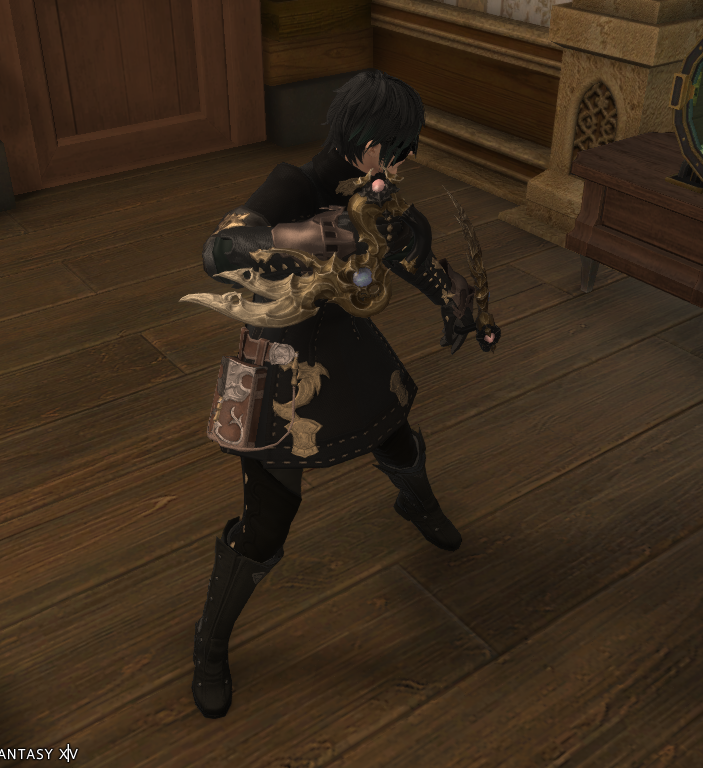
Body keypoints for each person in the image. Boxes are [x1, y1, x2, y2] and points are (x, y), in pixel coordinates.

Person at [189, 69, 499, 719]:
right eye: (398, 151)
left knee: (396, 437)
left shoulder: (374, 193)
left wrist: (454, 299)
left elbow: (409, 252)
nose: (403, 165)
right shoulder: (294, 186)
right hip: (280, 362)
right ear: (370, 145)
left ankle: (417, 504)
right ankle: (211, 643)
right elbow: (219, 250)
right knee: (268, 520)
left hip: (346, 347)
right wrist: (301, 235)